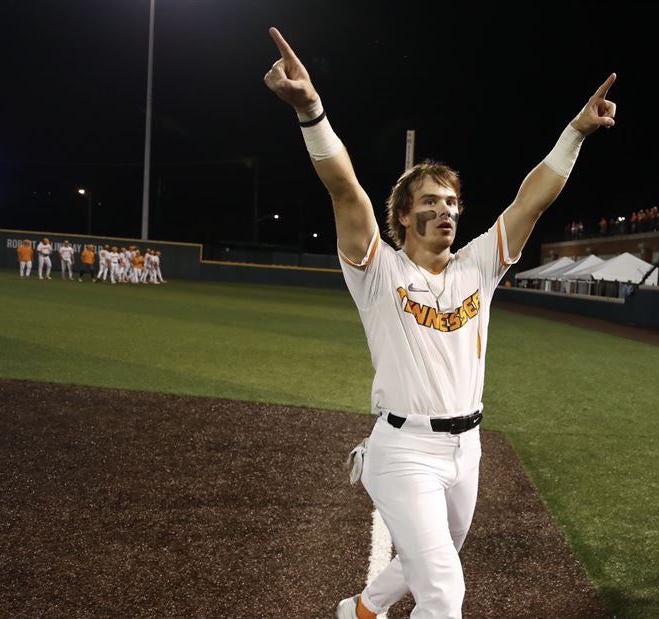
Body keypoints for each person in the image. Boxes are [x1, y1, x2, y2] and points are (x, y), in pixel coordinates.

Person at [263, 27, 616, 619]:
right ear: (402, 214)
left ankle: (361, 612)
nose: (445, 209)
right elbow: (345, 189)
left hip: (467, 447)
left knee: (441, 553)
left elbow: (532, 200)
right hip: (406, 447)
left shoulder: (478, 266)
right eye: (430, 200)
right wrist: (310, 111)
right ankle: (375, 481)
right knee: (444, 594)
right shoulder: (379, 270)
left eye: (452, 201)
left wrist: (576, 132)